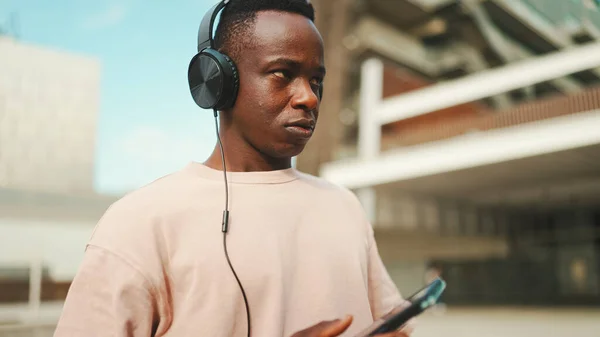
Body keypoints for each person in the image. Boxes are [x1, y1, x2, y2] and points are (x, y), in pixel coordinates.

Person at [53, 0, 415, 336]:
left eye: (315, 80)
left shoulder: (344, 207)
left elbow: (390, 322)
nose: (308, 97)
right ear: (219, 82)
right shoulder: (138, 224)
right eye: (282, 73)